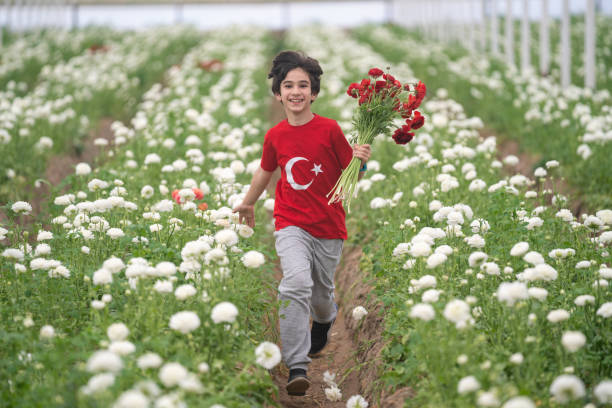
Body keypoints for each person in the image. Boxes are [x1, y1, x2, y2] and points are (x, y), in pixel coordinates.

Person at [233, 50, 371, 396]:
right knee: (294, 284)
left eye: (303, 85)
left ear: (314, 93)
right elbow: (266, 170)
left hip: (328, 228)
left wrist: (361, 161)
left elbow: (349, 172)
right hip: (290, 223)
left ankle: (325, 320)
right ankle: (297, 364)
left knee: (321, 295)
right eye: (288, 85)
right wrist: (248, 202)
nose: (296, 91)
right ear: (278, 94)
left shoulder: (329, 129)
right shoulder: (276, 136)